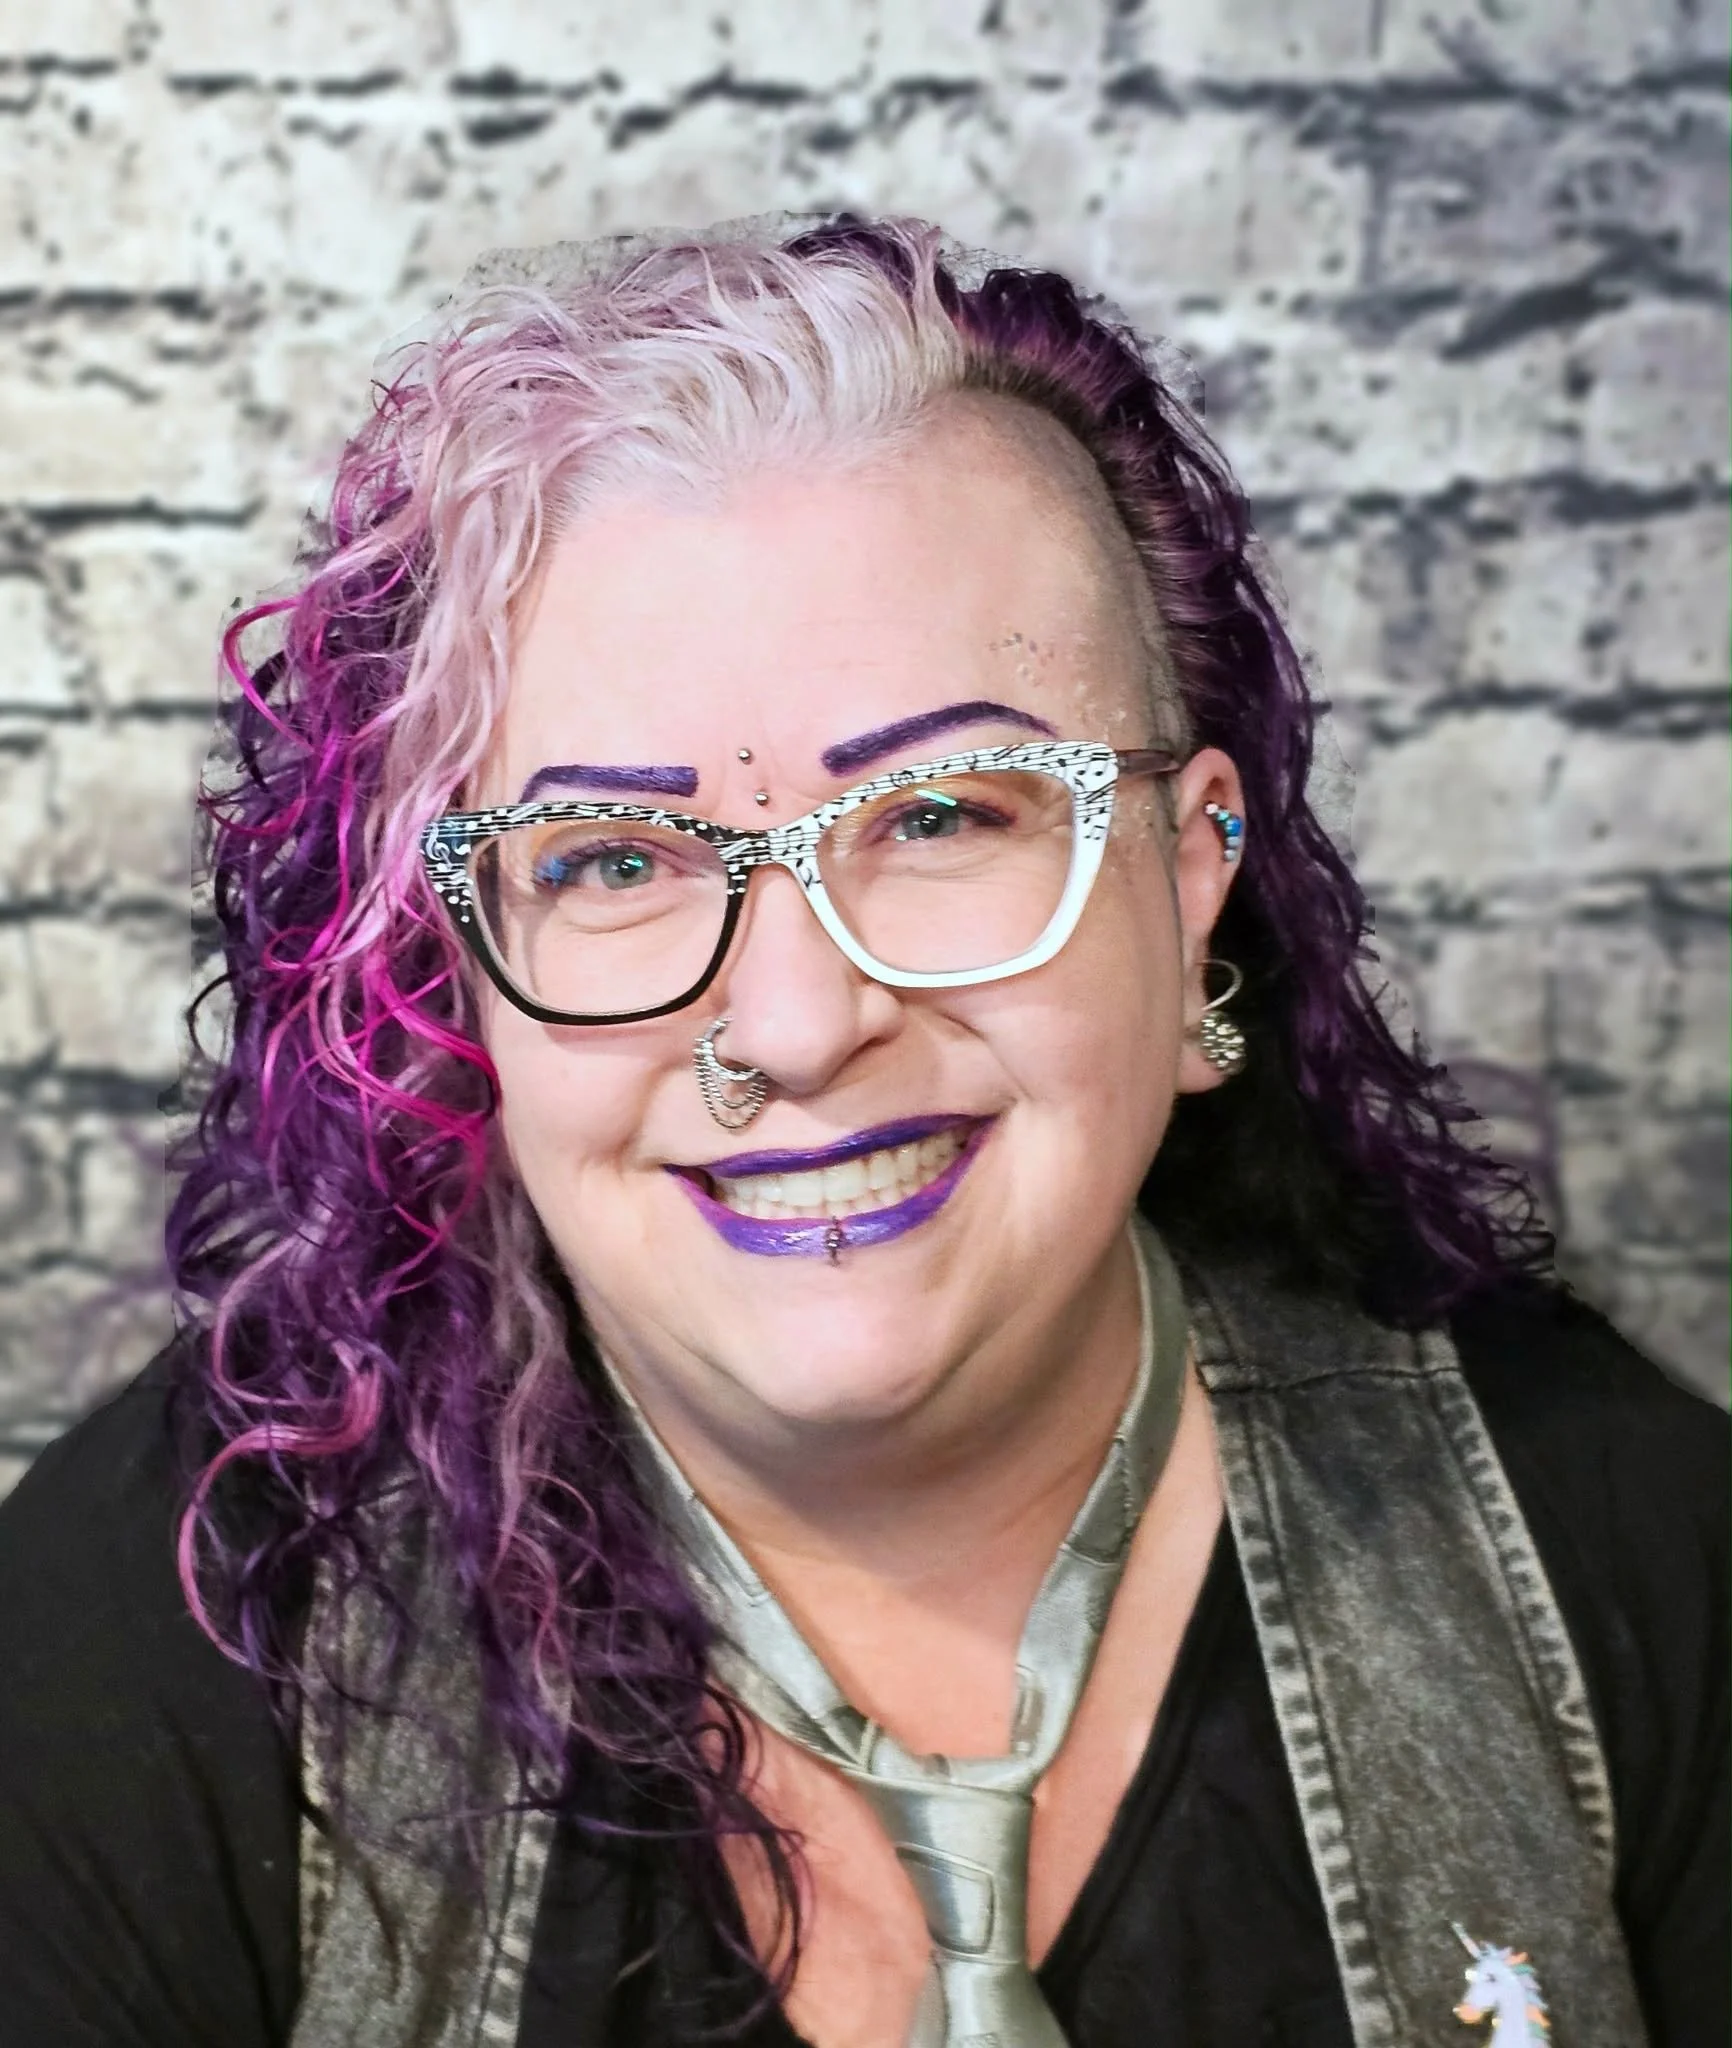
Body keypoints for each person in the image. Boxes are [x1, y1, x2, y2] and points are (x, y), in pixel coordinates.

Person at [0, 214, 1722, 2048]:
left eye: (942, 816)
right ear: (455, 970)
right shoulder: (147, 1641)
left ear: (1190, 870)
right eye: (612, 861)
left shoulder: (1631, 1550)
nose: (800, 1025)